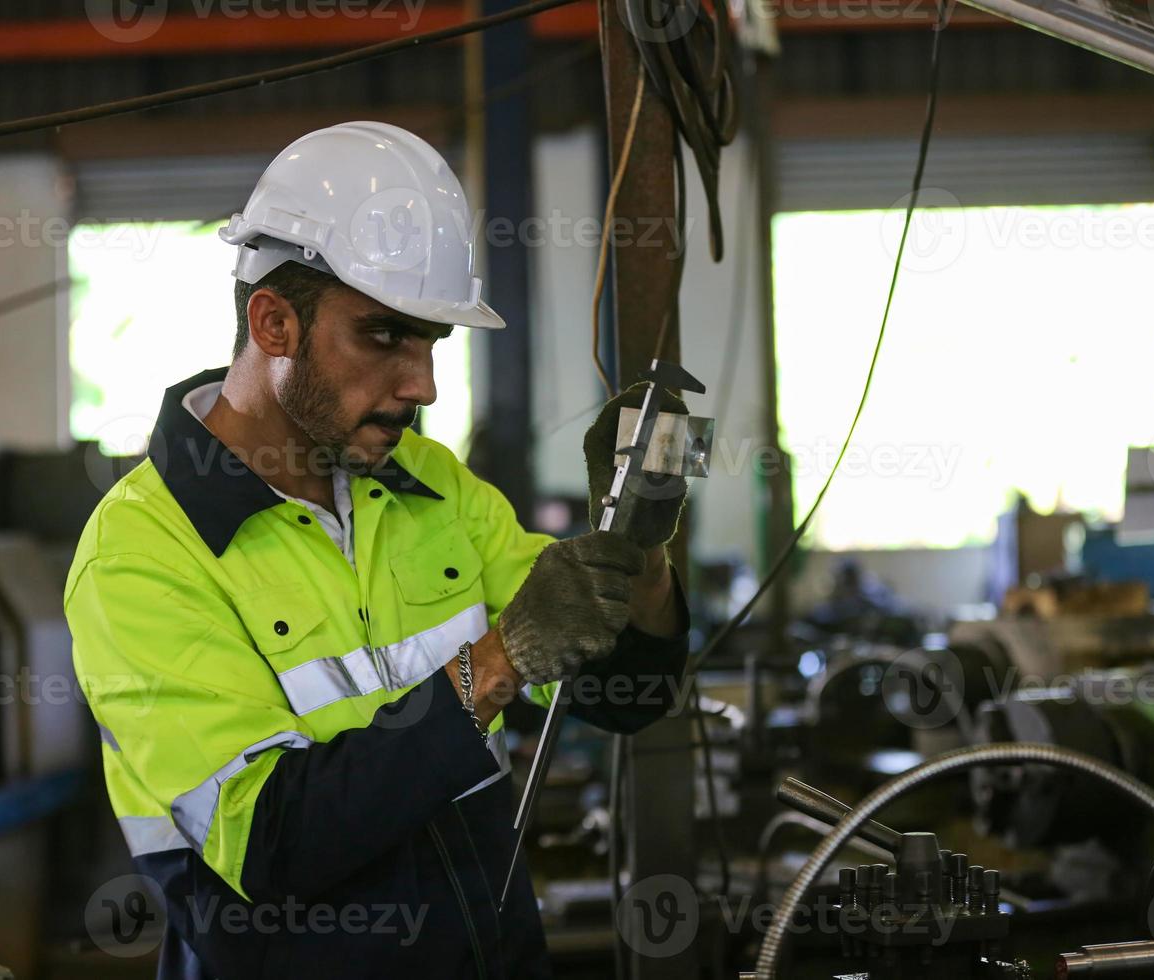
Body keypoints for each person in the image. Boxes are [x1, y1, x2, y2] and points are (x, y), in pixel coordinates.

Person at [64, 121, 691, 979]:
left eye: (432, 339)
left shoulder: (430, 486)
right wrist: (495, 665)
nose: (423, 384)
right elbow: (273, 847)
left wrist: (639, 550)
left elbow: (623, 694)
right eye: (385, 335)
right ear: (274, 322)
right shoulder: (142, 554)